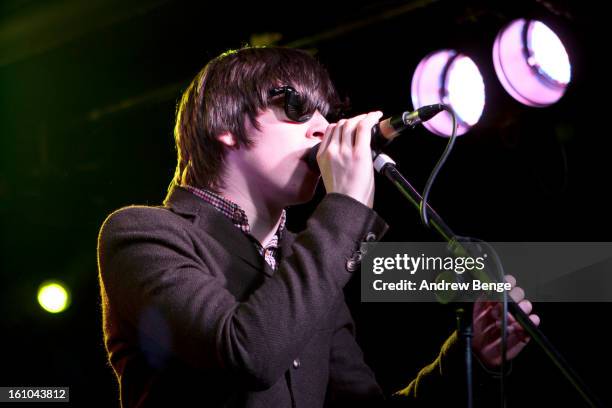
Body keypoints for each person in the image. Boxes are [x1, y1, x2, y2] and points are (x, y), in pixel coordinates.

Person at [97, 46, 540, 407]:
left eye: (325, 114)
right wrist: (346, 205)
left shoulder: (305, 257)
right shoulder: (142, 234)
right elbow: (246, 353)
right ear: (224, 122)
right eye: (296, 108)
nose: (323, 128)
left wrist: (468, 356)